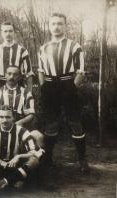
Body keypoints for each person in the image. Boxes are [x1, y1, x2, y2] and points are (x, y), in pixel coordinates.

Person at [38, 13, 89, 173]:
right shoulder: (43, 48)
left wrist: (72, 88)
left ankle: (82, 159)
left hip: (68, 83)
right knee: (51, 123)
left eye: (60, 23)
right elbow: (40, 70)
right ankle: (48, 159)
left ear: (65, 26)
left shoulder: (75, 46)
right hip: (50, 85)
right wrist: (43, 86)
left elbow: (80, 72)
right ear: (49, 26)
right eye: (53, 23)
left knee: (74, 122)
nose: (56, 26)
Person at [0, 105, 42, 191]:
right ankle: (8, 181)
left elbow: (36, 151)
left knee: (34, 160)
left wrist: (19, 156)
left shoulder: (22, 131)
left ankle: (5, 182)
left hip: (14, 166)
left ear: (14, 118)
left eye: (8, 117)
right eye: (1, 117)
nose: (4, 120)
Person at [0, 22, 34, 91]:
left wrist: (29, 92)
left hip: (18, 84)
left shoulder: (22, 50)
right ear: (2, 33)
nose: (8, 34)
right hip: (1, 84)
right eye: (5, 31)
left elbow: (29, 73)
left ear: (14, 32)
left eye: (10, 31)